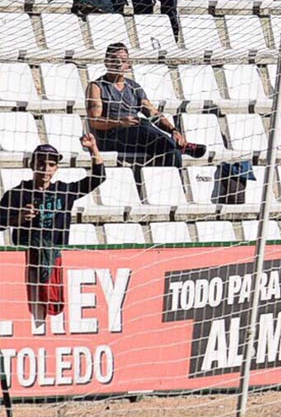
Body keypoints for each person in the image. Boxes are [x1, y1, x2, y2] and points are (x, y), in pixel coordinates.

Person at [0, 138, 105, 324]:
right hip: (27, 261)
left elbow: (98, 178)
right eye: (41, 163)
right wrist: (18, 218)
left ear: (56, 168)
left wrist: (93, 148)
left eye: (51, 164)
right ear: (32, 165)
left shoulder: (64, 191)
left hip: (55, 260)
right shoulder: (16, 194)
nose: (46, 169)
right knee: (27, 318)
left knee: (51, 318)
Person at [86, 43, 204, 169]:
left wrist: (173, 130)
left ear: (129, 64)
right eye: (114, 60)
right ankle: (182, 147)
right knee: (142, 125)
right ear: (106, 62)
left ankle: (178, 175)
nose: (119, 63)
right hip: (112, 137)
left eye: (123, 60)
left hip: (138, 136)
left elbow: (153, 114)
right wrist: (119, 122)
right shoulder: (97, 86)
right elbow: (94, 121)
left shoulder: (134, 87)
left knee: (172, 151)